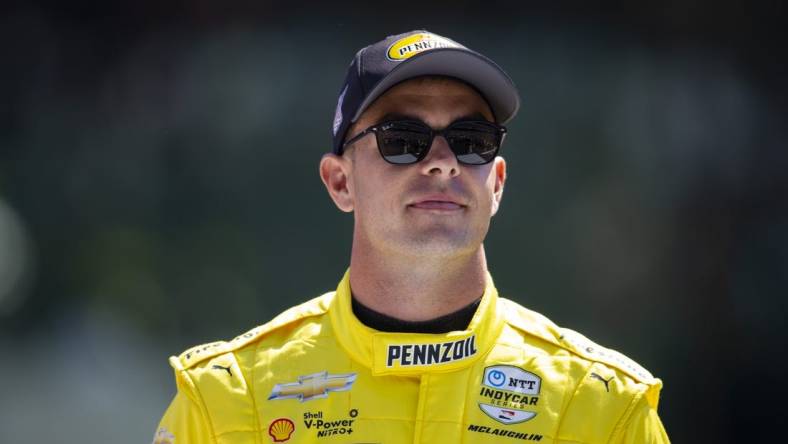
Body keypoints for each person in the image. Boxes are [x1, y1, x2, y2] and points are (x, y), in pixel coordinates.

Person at [153, 30, 670, 444]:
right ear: (340, 181)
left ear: (497, 183)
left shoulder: (605, 409)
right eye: (403, 140)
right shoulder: (225, 400)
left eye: (472, 141)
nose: (443, 163)